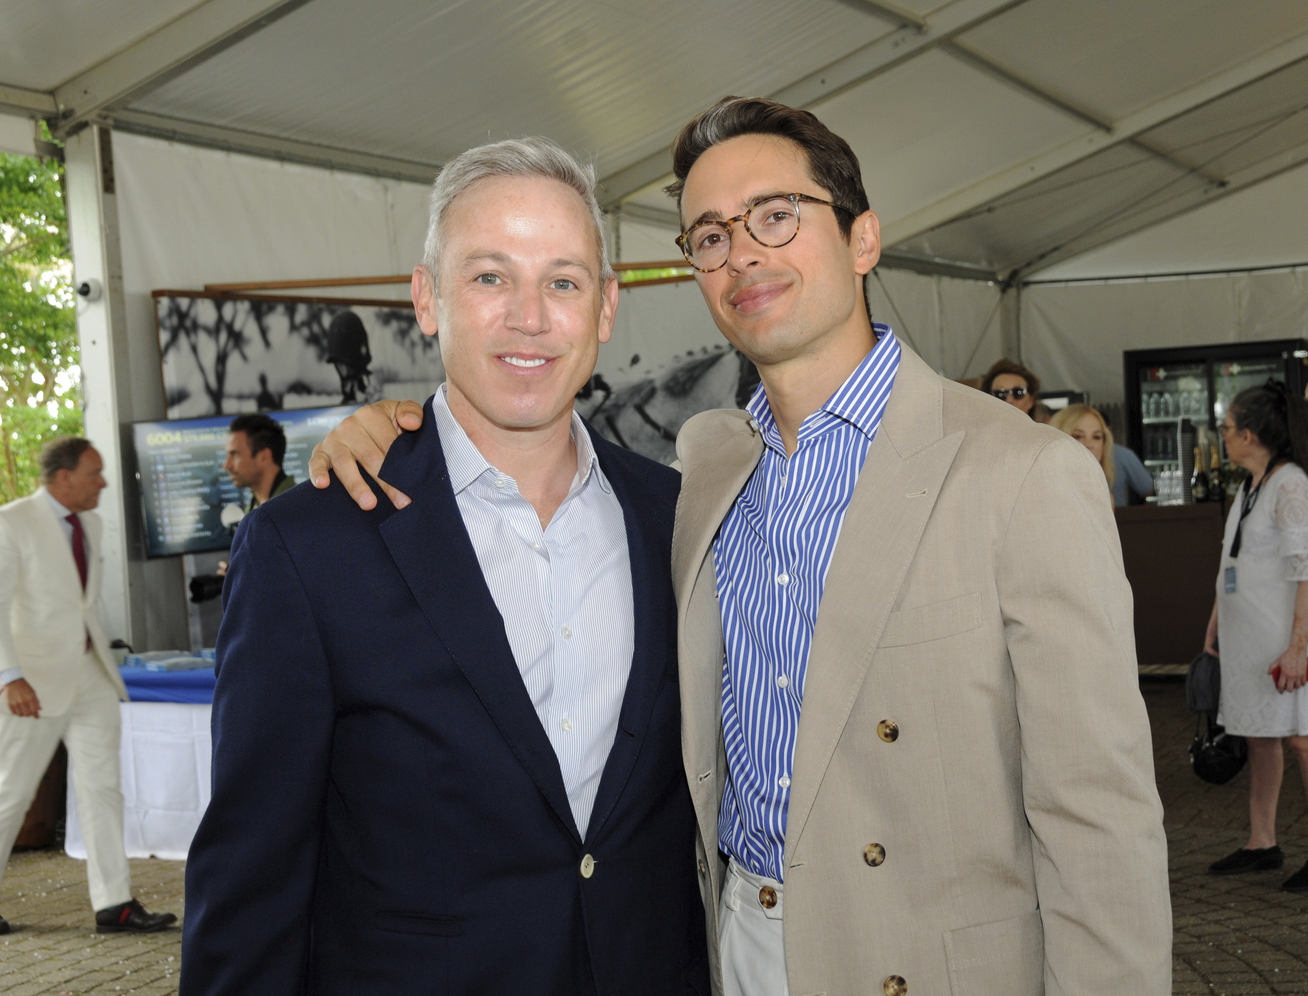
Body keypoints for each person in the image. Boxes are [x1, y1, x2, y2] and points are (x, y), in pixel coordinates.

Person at [312, 97, 1171, 995]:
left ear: (864, 239)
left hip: (923, 963)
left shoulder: (1022, 472)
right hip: (734, 951)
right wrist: (385, 427)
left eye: (776, 215)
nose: (743, 252)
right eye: (710, 236)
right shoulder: (706, 470)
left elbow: (1098, 819)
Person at [180, 139, 707, 994]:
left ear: (607, 307)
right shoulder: (308, 547)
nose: (529, 317)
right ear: (426, 298)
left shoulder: (675, 518)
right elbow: (251, 875)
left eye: (564, 281)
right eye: (489, 277)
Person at [0, 438, 176, 936]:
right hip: (26, 683)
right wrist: (10, 677)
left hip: (91, 675)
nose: (103, 482)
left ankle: (114, 904)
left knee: (103, 790)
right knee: (12, 791)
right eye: (95, 473)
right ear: (63, 477)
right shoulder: (8, 523)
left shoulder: (92, 524)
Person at [1202, 382, 1308, 892]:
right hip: (1252, 635)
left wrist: (1295, 648)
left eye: (1226, 429)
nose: (1222, 436)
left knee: (1303, 736)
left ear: (1249, 434)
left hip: (1287, 640)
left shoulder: (1290, 486)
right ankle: (1262, 841)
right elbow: (1236, 562)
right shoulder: (1252, 484)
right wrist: (1217, 619)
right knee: (1260, 734)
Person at [223, 412, 294, 512]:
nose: (226, 465)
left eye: (235, 454)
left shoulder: (296, 507)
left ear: (264, 456)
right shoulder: (253, 508)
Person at [1050, 403, 1116, 498]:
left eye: (1096, 437)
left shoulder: (1106, 498)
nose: (1089, 445)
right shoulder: (1044, 494)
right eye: (1078, 436)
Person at [1114, 441, 1155, 506]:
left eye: (1097, 438)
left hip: (1117, 513)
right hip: (1117, 514)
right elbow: (1147, 489)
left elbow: (1146, 488)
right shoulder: (1122, 454)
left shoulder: (1122, 454)